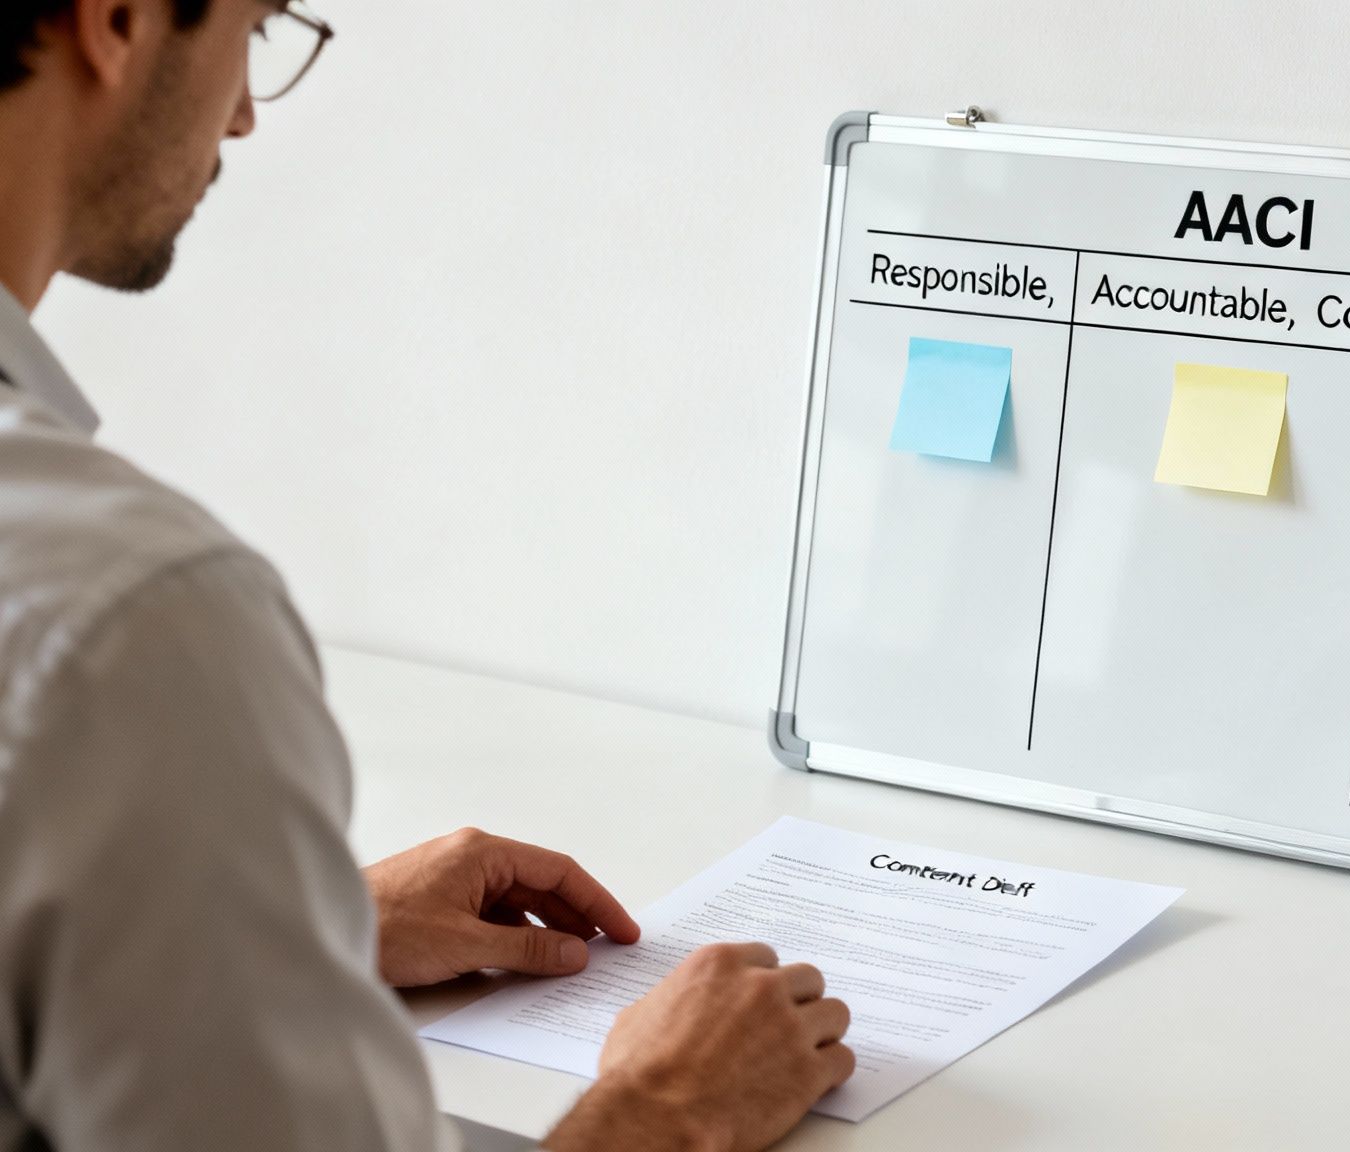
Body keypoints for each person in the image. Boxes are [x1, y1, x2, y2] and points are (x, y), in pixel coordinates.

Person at [0, 1, 856, 1148]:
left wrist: (280, 925)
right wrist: (668, 1108)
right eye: (252, 30)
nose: (247, 115)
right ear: (116, 21)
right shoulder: (138, 617)